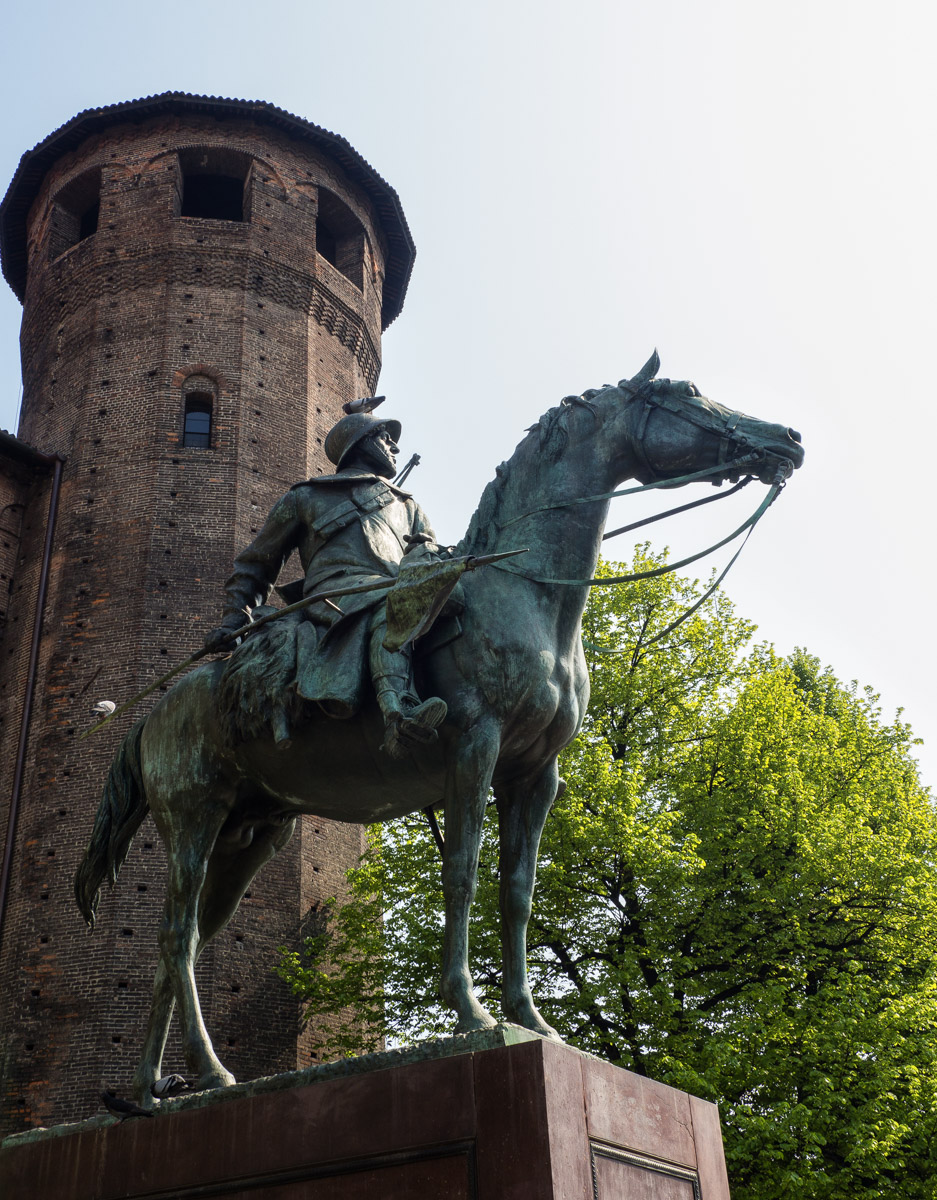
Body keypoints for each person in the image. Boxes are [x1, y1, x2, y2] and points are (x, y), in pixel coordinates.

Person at [204, 412, 448, 756]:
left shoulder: (408, 506)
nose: (394, 446)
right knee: (390, 606)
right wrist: (234, 618)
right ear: (360, 442)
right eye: (384, 437)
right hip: (336, 595)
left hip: (396, 586)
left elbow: (428, 557)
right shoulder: (306, 498)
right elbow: (258, 563)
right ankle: (399, 713)